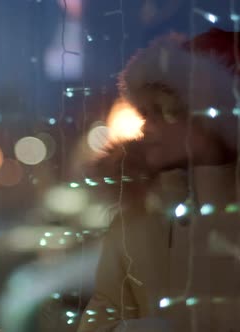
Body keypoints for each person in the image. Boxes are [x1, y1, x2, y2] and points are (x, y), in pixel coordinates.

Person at [78, 28, 240, 332]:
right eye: (145, 113)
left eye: (166, 112)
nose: (147, 128)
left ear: (217, 119)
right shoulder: (135, 218)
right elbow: (101, 316)